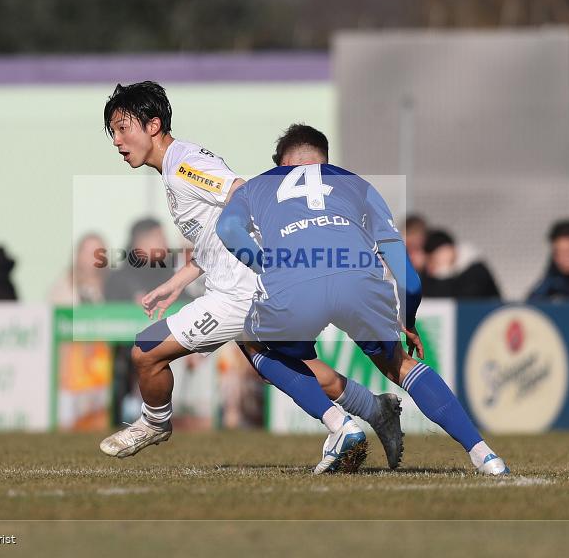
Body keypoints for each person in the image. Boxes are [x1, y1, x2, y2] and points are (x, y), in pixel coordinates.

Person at [97, 82, 403, 473]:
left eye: (123, 129)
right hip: (249, 282)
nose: (118, 141)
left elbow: (240, 192)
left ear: (154, 124)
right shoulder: (177, 165)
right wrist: (177, 282)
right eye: (114, 132)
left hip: (241, 288)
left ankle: (155, 423)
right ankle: (374, 410)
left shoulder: (183, 164)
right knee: (282, 362)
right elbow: (216, 232)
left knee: (145, 352)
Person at [217, 123, 510, 476]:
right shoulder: (357, 185)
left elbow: (228, 230)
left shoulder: (259, 185)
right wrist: (409, 320)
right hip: (360, 280)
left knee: (253, 343)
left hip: (295, 281)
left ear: (281, 161)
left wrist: (267, 264)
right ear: (325, 161)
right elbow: (409, 278)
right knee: (399, 365)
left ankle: (340, 425)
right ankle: (485, 455)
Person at [104, 219, 172, 304]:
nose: (166, 245)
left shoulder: (171, 278)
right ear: (140, 244)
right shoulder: (118, 281)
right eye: (160, 240)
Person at [421, 229, 500, 298]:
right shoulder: (431, 274)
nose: (434, 263)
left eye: (434, 258)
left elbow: (465, 298)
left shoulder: (476, 270)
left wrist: (443, 273)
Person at [48, 232, 107, 305]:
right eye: (87, 252)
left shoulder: (111, 284)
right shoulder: (64, 286)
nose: (91, 258)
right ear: (79, 254)